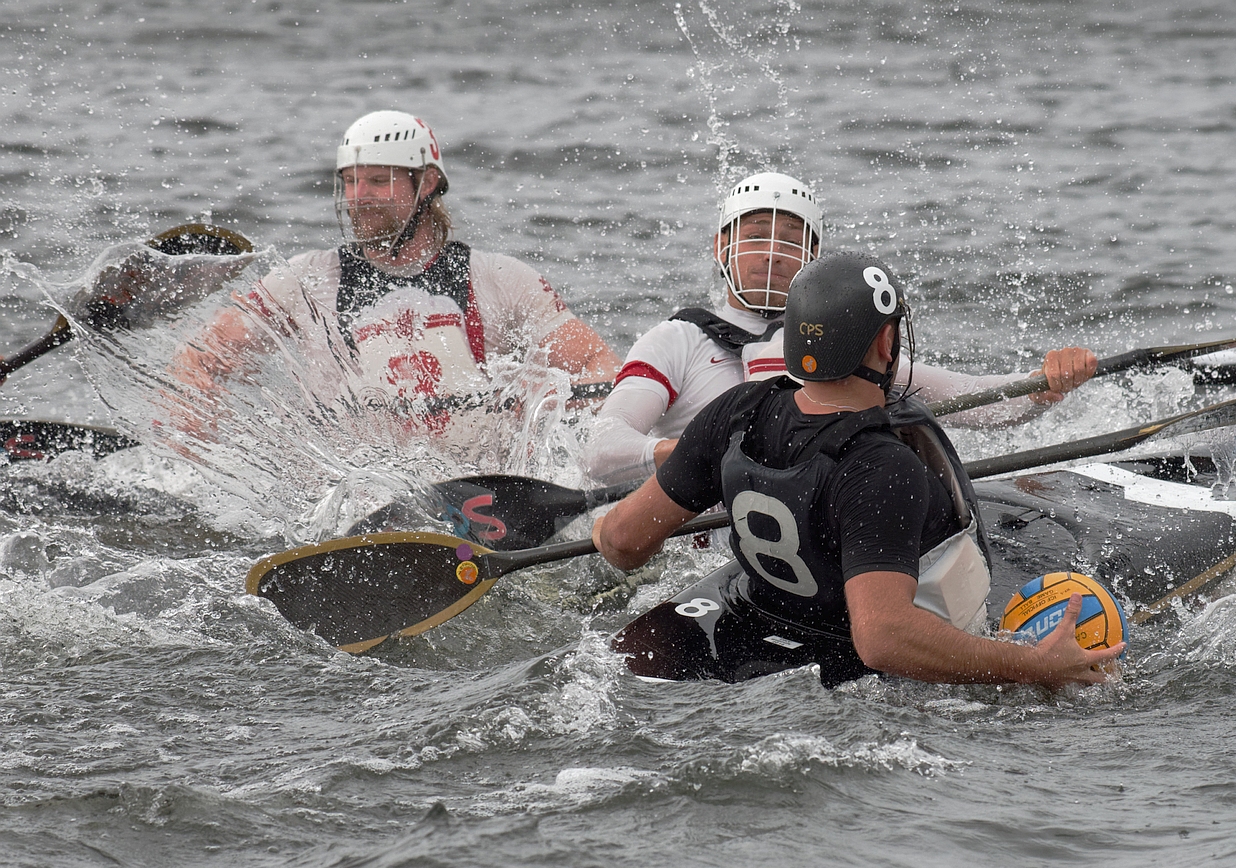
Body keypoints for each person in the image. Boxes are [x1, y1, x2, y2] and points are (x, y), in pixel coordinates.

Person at [594, 251, 1123, 688]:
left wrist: (600, 528)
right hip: (854, 671)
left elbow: (622, 543)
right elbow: (883, 639)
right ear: (885, 343)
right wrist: (1035, 667)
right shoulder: (885, 466)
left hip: (758, 616)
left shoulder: (734, 414)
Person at [580, 171, 1098, 485]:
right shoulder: (676, 339)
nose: (772, 254)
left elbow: (981, 403)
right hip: (701, 535)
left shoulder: (839, 333)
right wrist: (682, 453)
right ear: (722, 247)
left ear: (813, 257)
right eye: (756, 235)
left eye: (789, 240)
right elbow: (599, 451)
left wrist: (1044, 386)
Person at [171, 110, 619, 428]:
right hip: (354, 483)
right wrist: (194, 418)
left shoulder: (500, 278)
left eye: (378, 181)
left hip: (473, 482)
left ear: (425, 184)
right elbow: (202, 357)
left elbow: (599, 366)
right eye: (350, 181)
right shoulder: (304, 280)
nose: (358, 195)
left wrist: (551, 406)